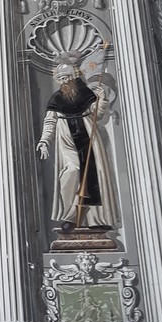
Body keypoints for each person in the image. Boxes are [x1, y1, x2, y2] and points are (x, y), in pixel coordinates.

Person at [36, 63, 118, 233]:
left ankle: (95, 220)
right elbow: (50, 121)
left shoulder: (86, 93)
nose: (63, 82)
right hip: (67, 142)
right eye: (60, 79)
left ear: (73, 77)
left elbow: (98, 115)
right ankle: (70, 215)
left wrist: (102, 99)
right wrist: (44, 141)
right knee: (72, 172)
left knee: (93, 177)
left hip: (89, 138)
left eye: (65, 77)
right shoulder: (56, 99)